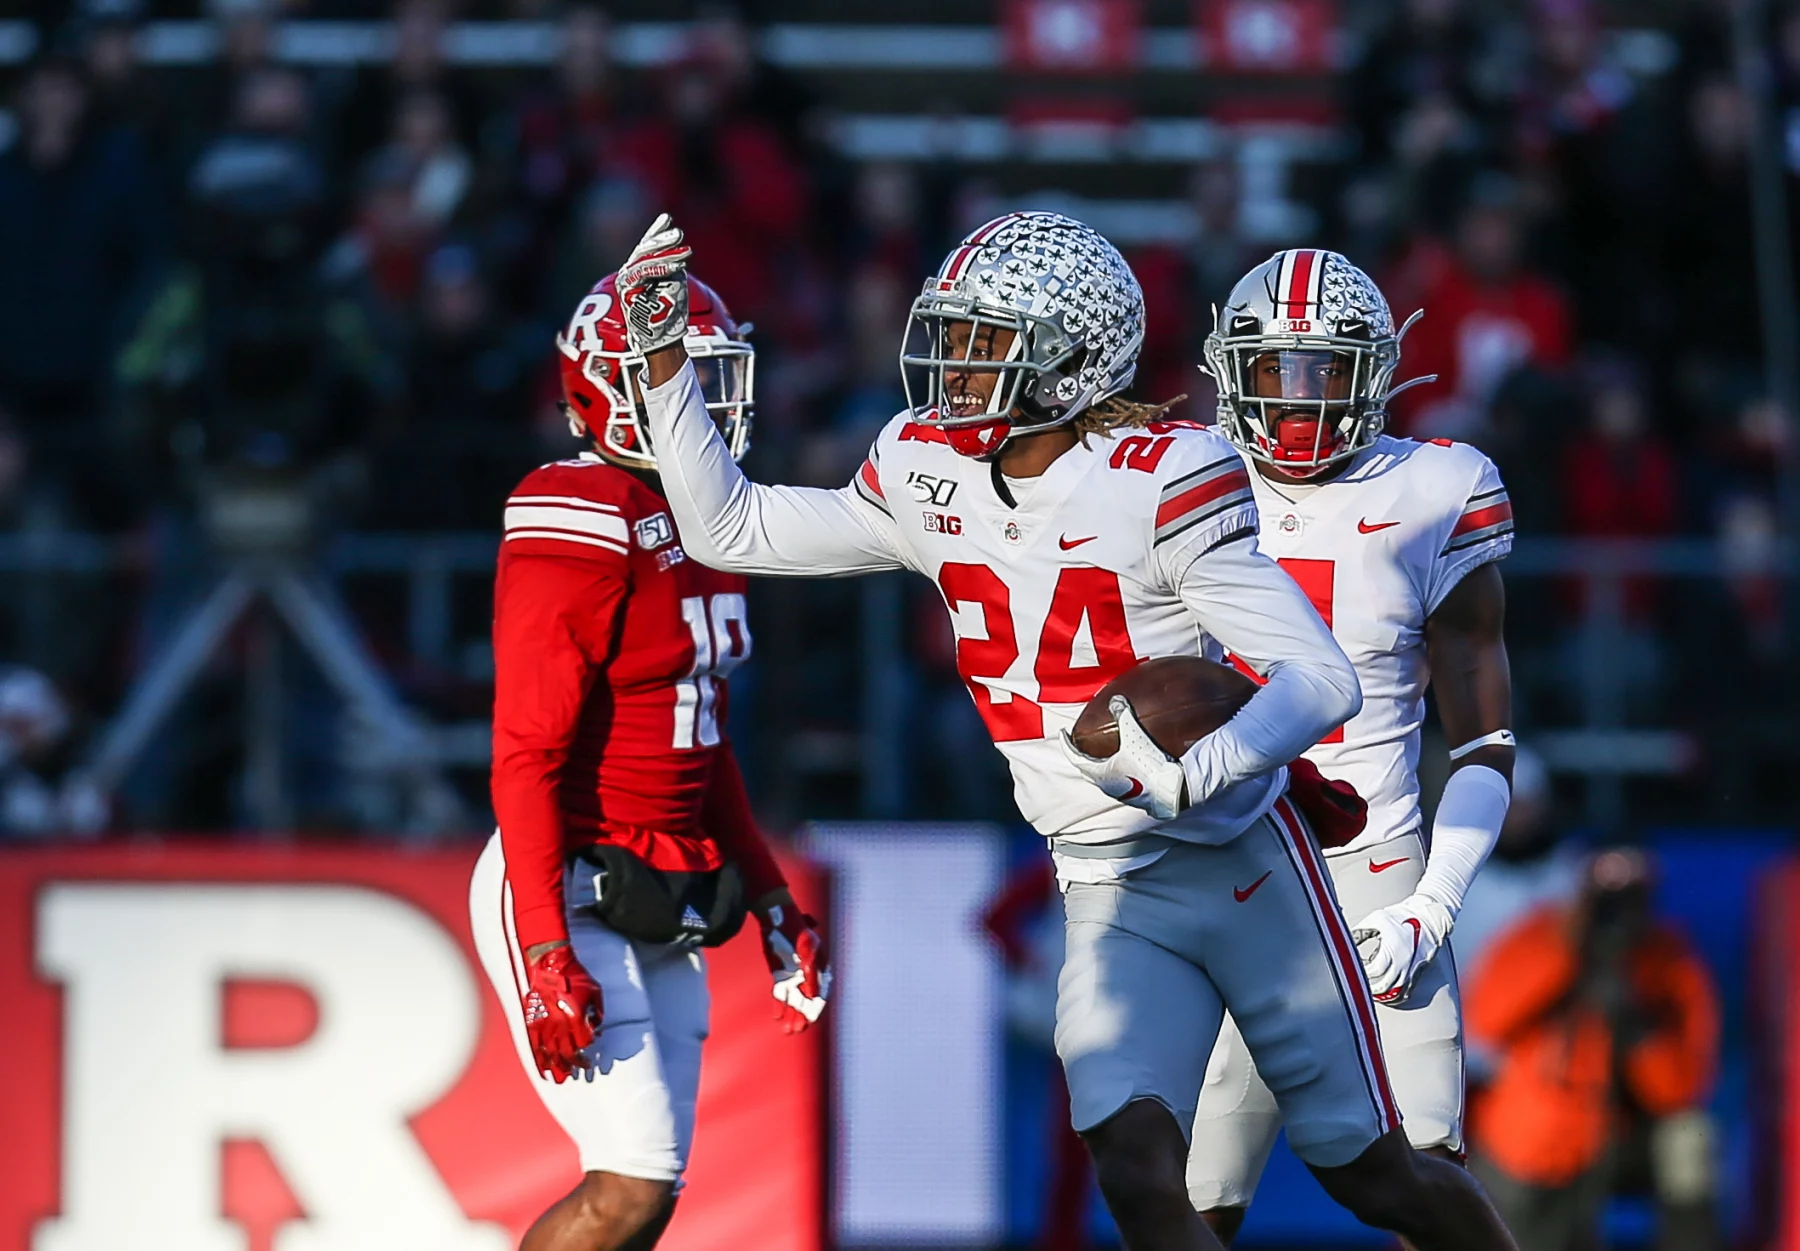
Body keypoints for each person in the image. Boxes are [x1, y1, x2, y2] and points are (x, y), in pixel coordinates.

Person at [630, 210, 1518, 1251]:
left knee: (1377, 1175)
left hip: (1244, 858)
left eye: (984, 344)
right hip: (1104, 876)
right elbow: (730, 528)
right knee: (1138, 1169)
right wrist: (662, 366)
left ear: (1069, 362)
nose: (954, 368)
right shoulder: (923, 465)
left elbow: (1322, 680)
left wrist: (1198, 771)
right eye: (953, 337)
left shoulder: (1163, 475)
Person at [467, 271, 830, 1251]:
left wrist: (772, 897)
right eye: (677, 376)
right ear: (610, 389)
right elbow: (525, 753)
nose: (702, 402)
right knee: (629, 1184)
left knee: (652, 1193)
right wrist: (546, 950)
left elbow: (700, 736)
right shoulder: (580, 507)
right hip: (572, 871)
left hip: (661, 880)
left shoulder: (710, 515)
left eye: (708, 377)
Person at [1183, 249, 1517, 1244]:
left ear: (1371, 373)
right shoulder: (1171, 477)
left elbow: (1486, 744)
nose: (1296, 400)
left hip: (1375, 873)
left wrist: (1431, 905)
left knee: (1430, 1182)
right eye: (1274, 369)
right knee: (1188, 1199)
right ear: (1231, 369)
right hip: (1225, 870)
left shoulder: (1434, 488)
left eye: (1322, 369)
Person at [1463, 847, 1722, 1251]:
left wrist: (1639, 1027)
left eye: (1632, 887)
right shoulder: (1541, 936)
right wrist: (1567, 955)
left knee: (1689, 1136)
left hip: (1627, 1134)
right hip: (1541, 1133)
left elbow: (1684, 1088)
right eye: (1607, 886)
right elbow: (1486, 1021)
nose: (1618, 903)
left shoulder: (1668, 958)